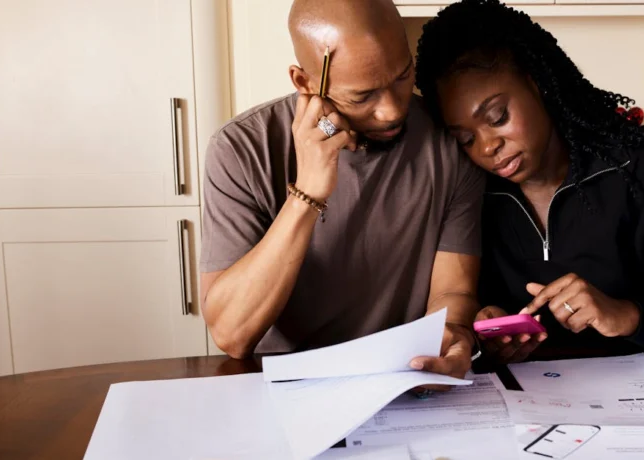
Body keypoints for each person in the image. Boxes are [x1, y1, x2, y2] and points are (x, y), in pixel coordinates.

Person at [414, 0, 644, 367]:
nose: (486, 147)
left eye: (498, 117)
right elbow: (463, 305)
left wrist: (628, 315)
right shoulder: (471, 193)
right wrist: (488, 327)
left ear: (537, 84)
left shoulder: (639, 171)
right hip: (522, 405)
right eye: (465, 138)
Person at [198, 0, 485, 385]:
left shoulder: (448, 139)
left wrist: (453, 333)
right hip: (284, 385)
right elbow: (232, 335)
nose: (391, 111)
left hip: (402, 378)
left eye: (402, 77)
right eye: (362, 96)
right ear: (304, 82)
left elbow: (453, 289)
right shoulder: (241, 149)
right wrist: (308, 193)